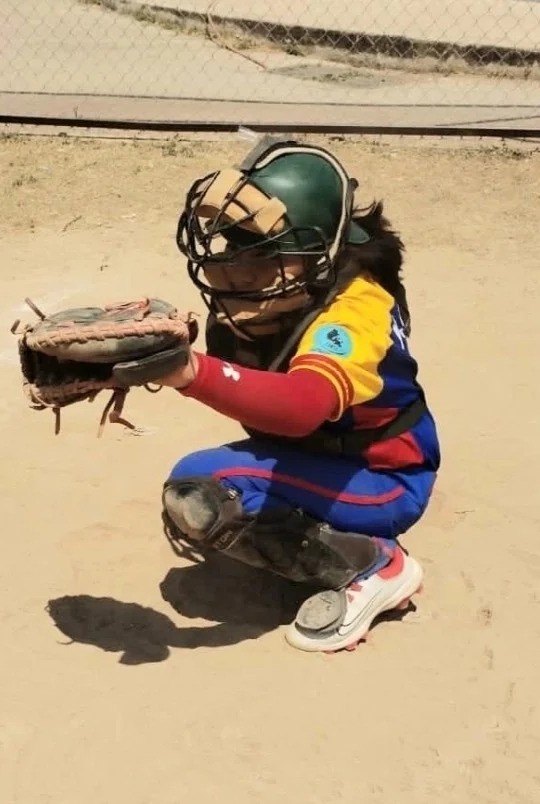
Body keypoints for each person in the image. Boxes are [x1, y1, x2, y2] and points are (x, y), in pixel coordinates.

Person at [153, 136, 441, 653]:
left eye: (261, 252)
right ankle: (328, 528)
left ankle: (377, 564)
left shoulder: (355, 309)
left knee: (200, 488)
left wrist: (189, 371)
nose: (236, 266)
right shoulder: (285, 292)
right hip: (318, 458)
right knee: (212, 492)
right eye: (234, 245)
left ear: (317, 255)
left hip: (384, 478)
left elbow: (306, 405)